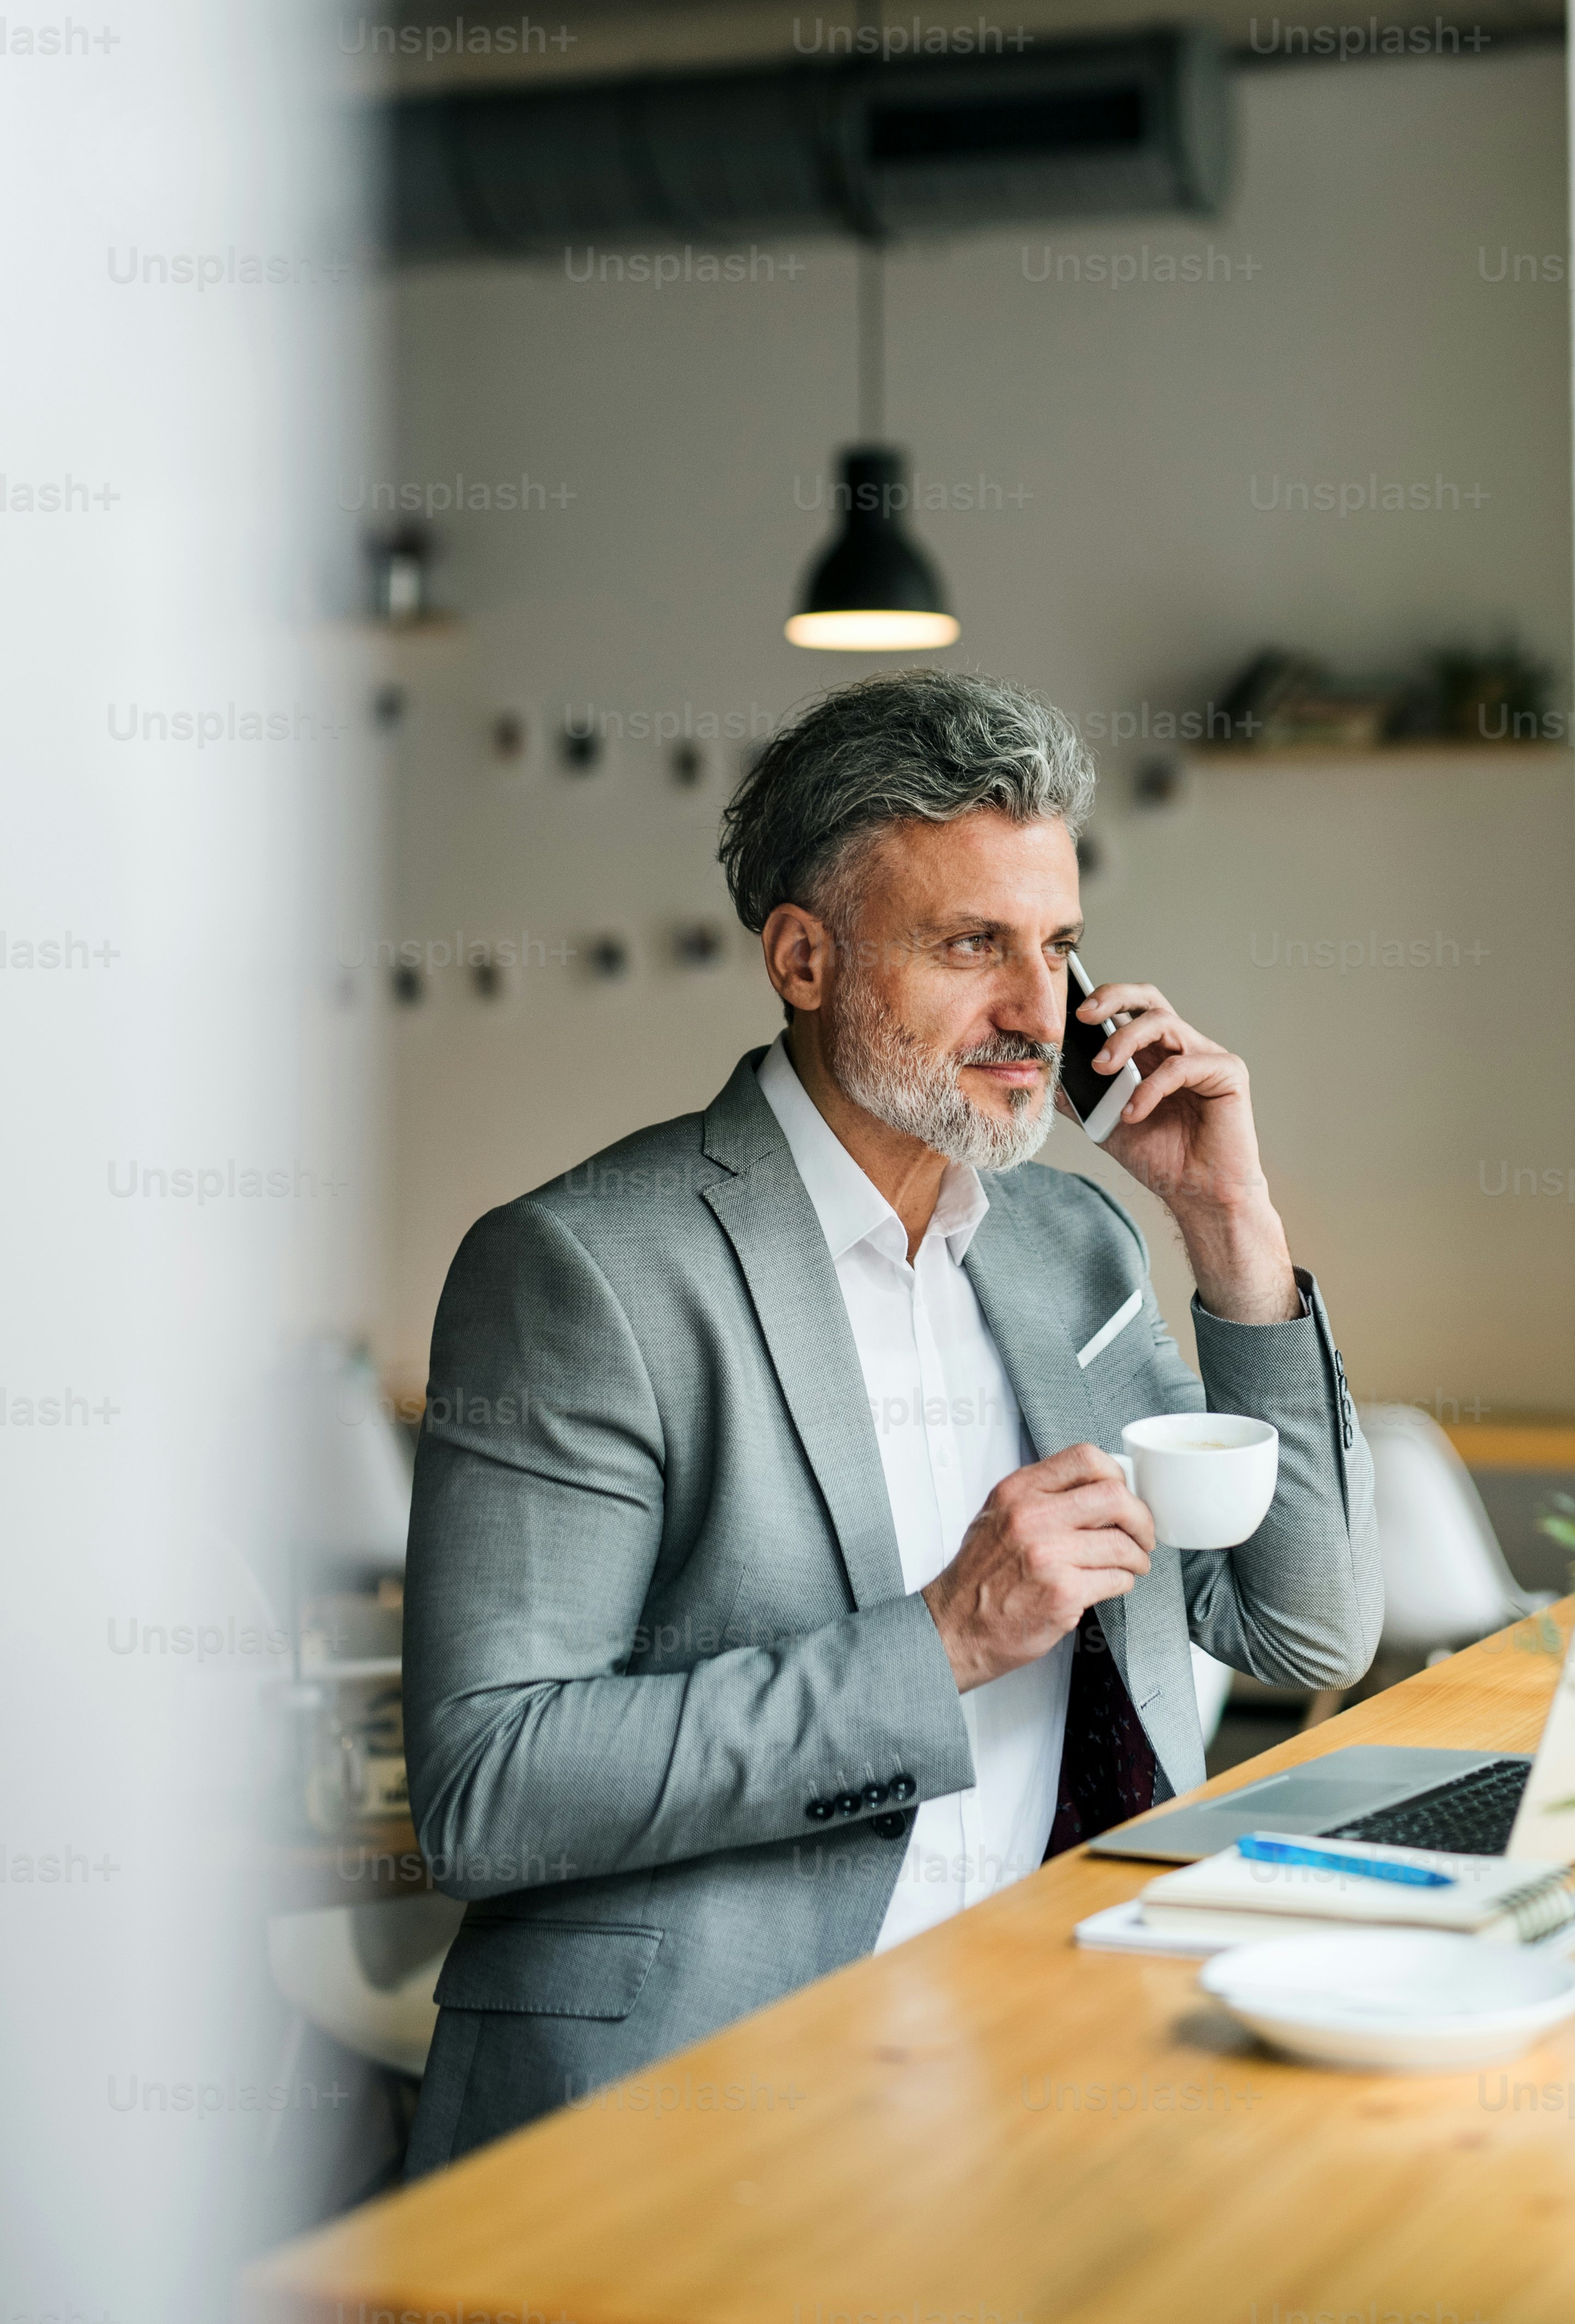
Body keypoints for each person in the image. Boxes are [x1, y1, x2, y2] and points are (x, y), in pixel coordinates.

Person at [402, 668, 1381, 2170]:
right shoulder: (582, 1271)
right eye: (969, 946)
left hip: (1071, 2058)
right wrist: (939, 1649)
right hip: (713, 2109)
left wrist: (1233, 1235)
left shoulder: (1079, 1246)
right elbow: (488, 1787)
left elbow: (1306, 1631)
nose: (1034, 1009)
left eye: (1056, 946)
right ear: (804, 958)